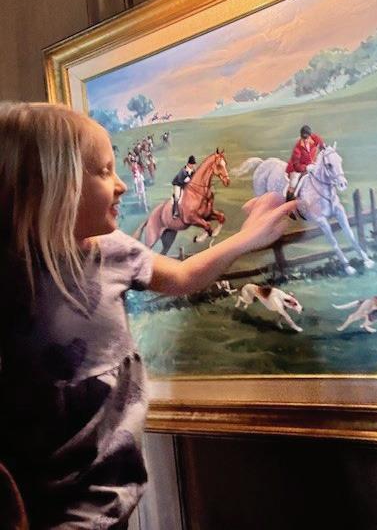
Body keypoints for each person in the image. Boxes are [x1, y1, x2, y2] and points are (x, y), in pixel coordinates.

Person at [0, 101, 296, 529]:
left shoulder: (114, 251)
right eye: (104, 171)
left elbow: (182, 276)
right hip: (38, 502)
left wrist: (245, 238)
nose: (121, 185)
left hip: (108, 495)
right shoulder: (11, 276)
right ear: (51, 185)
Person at [285, 124, 325, 202]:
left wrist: (324, 148)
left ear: (310, 135)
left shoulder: (315, 138)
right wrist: (306, 167)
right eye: (303, 138)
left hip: (311, 164)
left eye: (307, 138)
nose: (305, 140)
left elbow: (322, 145)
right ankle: (289, 201)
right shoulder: (297, 148)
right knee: (293, 183)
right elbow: (297, 166)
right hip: (296, 168)